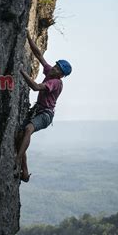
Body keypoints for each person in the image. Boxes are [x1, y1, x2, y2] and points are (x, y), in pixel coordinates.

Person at [16, 32, 72, 182]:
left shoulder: (56, 82)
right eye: (55, 66)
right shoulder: (50, 72)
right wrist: (27, 35)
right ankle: (25, 172)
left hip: (45, 115)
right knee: (20, 136)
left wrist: (21, 71)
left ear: (61, 75)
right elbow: (38, 54)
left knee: (28, 129)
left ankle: (17, 160)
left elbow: (35, 87)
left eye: (58, 69)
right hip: (38, 110)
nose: (54, 69)